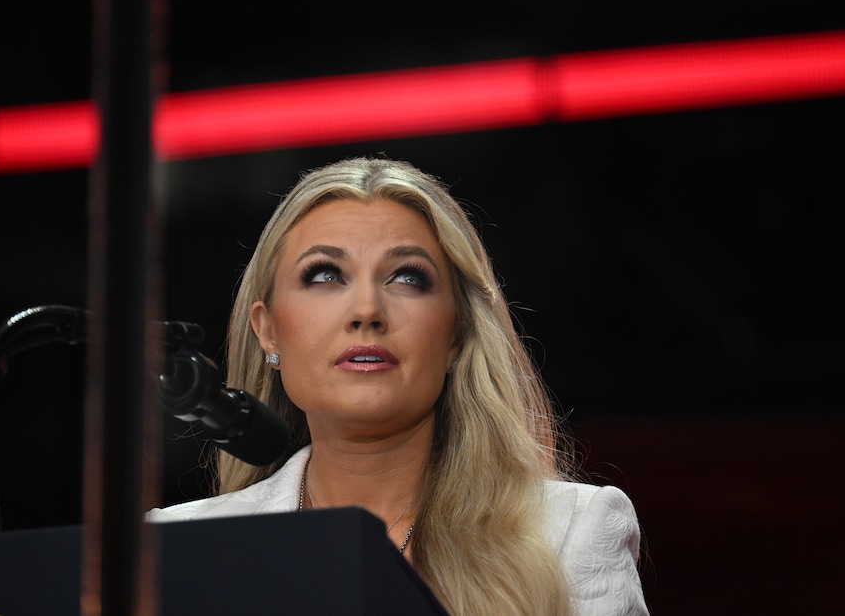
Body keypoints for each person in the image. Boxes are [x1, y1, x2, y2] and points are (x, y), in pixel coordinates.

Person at [146, 155, 649, 615]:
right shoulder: (170, 548)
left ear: (456, 334)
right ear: (268, 329)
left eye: (407, 278)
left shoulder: (571, 533)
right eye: (325, 275)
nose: (367, 311)